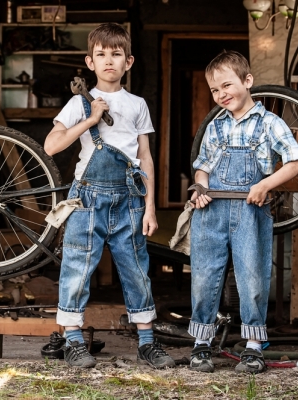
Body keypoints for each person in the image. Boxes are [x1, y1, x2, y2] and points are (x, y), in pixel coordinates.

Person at [43, 23, 174, 369]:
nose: (108, 61)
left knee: (136, 268)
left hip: (130, 198)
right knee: (78, 265)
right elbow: (52, 145)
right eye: (101, 54)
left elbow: (144, 156)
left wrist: (150, 206)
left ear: (128, 62)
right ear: (90, 62)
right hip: (87, 199)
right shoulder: (78, 103)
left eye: (116, 54)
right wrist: (91, 119)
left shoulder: (137, 104)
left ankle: (147, 341)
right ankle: (73, 340)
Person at [189, 50, 298, 374]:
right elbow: (201, 167)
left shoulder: (270, 123)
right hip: (211, 209)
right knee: (204, 276)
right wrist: (200, 188)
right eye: (215, 90)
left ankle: (253, 347)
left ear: (248, 81)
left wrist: (266, 184)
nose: (221, 94)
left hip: (250, 210)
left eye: (227, 85)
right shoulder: (216, 126)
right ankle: (201, 344)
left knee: (252, 277)